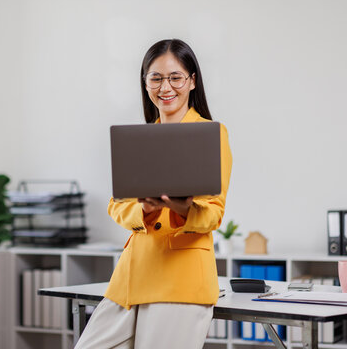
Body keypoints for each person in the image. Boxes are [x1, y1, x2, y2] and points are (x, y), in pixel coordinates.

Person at [75, 38, 233, 349]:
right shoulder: (140, 138)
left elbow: (213, 212)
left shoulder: (211, 133)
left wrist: (183, 209)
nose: (166, 87)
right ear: (145, 82)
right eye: (155, 78)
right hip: (130, 279)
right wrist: (144, 211)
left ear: (192, 81)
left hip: (180, 281)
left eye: (175, 77)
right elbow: (117, 203)